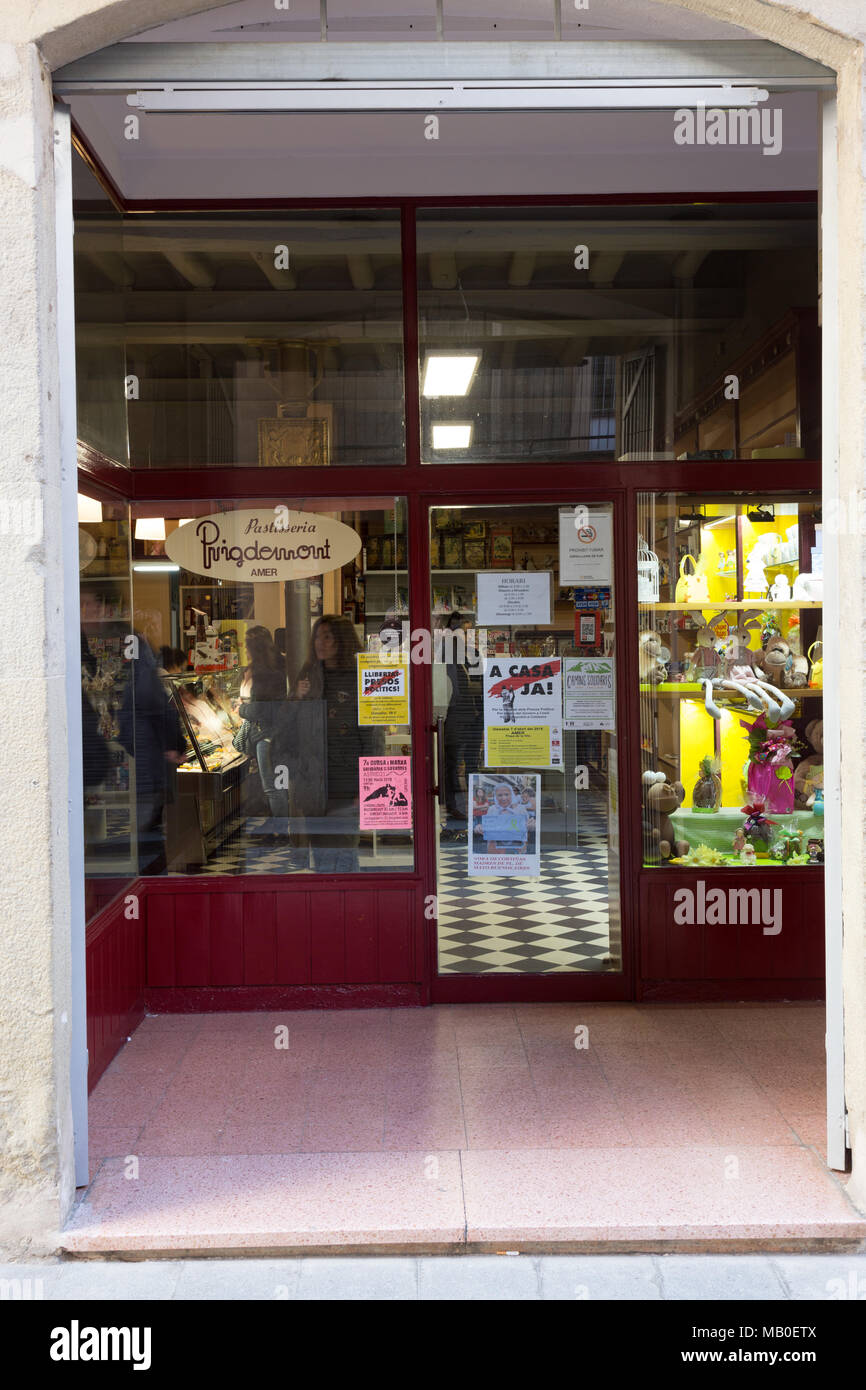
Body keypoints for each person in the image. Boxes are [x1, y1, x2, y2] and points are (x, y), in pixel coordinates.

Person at [278, 615, 383, 872]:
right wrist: (296, 698)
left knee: (345, 854)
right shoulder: (309, 675)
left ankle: (350, 911)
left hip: (347, 785)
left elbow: (372, 735)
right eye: (317, 636)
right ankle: (330, 910)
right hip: (313, 783)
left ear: (342, 640)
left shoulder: (360, 676)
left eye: (327, 636)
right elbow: (285, 728)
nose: (319, 642)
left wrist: (368, 785)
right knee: (322, 857)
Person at [117, 620, 187, 876]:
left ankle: (151, 886)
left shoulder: (142, 673)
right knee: (151, 831)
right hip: (152, 765)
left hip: (149, 767)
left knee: (148, 834)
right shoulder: (144, 671)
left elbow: (160, 713)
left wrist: (173, 744)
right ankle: (153, 883)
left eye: (126, 645)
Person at [236, 625, 288, 840]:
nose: (246, 651)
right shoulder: (280, 663)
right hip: (278, 733)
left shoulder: (263, 671)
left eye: (248, 647)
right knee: (278, 785)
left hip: (266, 735)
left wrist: (241, 709)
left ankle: (281, 830)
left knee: (272, 787)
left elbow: (261, 708)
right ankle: (277, 825)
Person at [442, 611, 483, 819]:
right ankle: (455, 806)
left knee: (471, 762)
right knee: (452, 762)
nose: (465, 636)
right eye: (461, 632)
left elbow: (479, 685)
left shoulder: (473, 655)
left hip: (473, 718)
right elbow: (454, 690)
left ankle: (475, 804)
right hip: (456, 718)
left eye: (467, 632)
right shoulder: (448, 655)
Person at [481, 782, 529, 854]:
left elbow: (527, 827)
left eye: (506, 794)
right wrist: (480, 828)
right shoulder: (492, 809)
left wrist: (531, 826)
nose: (504, 798)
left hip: (517, 848)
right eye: (500, 795)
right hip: (495, 848)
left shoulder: (521, 808)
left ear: (511, 795)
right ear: (496, 797)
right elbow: (487, 828)